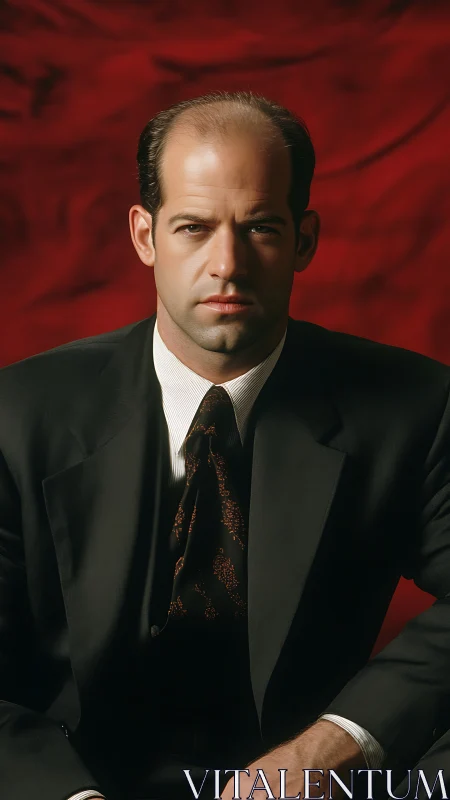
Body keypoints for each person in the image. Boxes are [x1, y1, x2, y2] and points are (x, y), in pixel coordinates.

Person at [0, 90, 449, 800]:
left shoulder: (414, 407)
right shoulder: (19, 413)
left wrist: (341, 741)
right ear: (145, 236)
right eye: (194, 227)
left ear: (304, 240)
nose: (227, 264)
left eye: (261, 227)